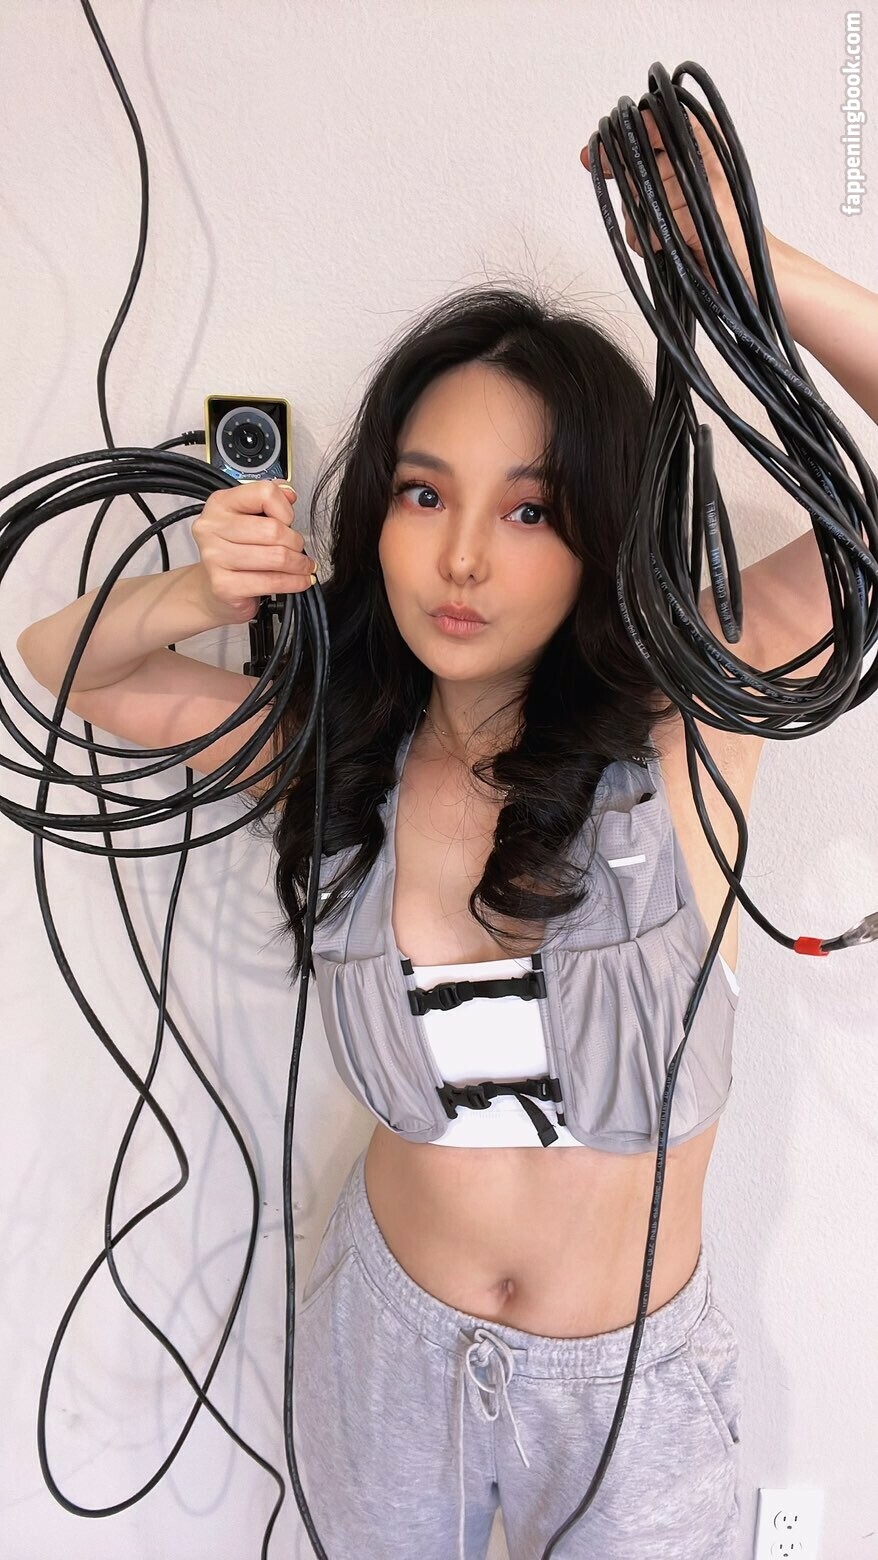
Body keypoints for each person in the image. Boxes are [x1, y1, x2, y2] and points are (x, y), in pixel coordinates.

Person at [19, 114, 878, 1556]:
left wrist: (748, 271)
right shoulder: (332, 752)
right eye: (425, 494)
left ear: (600, 534)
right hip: (390, 1353)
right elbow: (66, 669)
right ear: (375, 515)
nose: (464, 556)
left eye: (530, 511)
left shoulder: (689, 722)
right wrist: (194, 599)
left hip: (633, 1396)